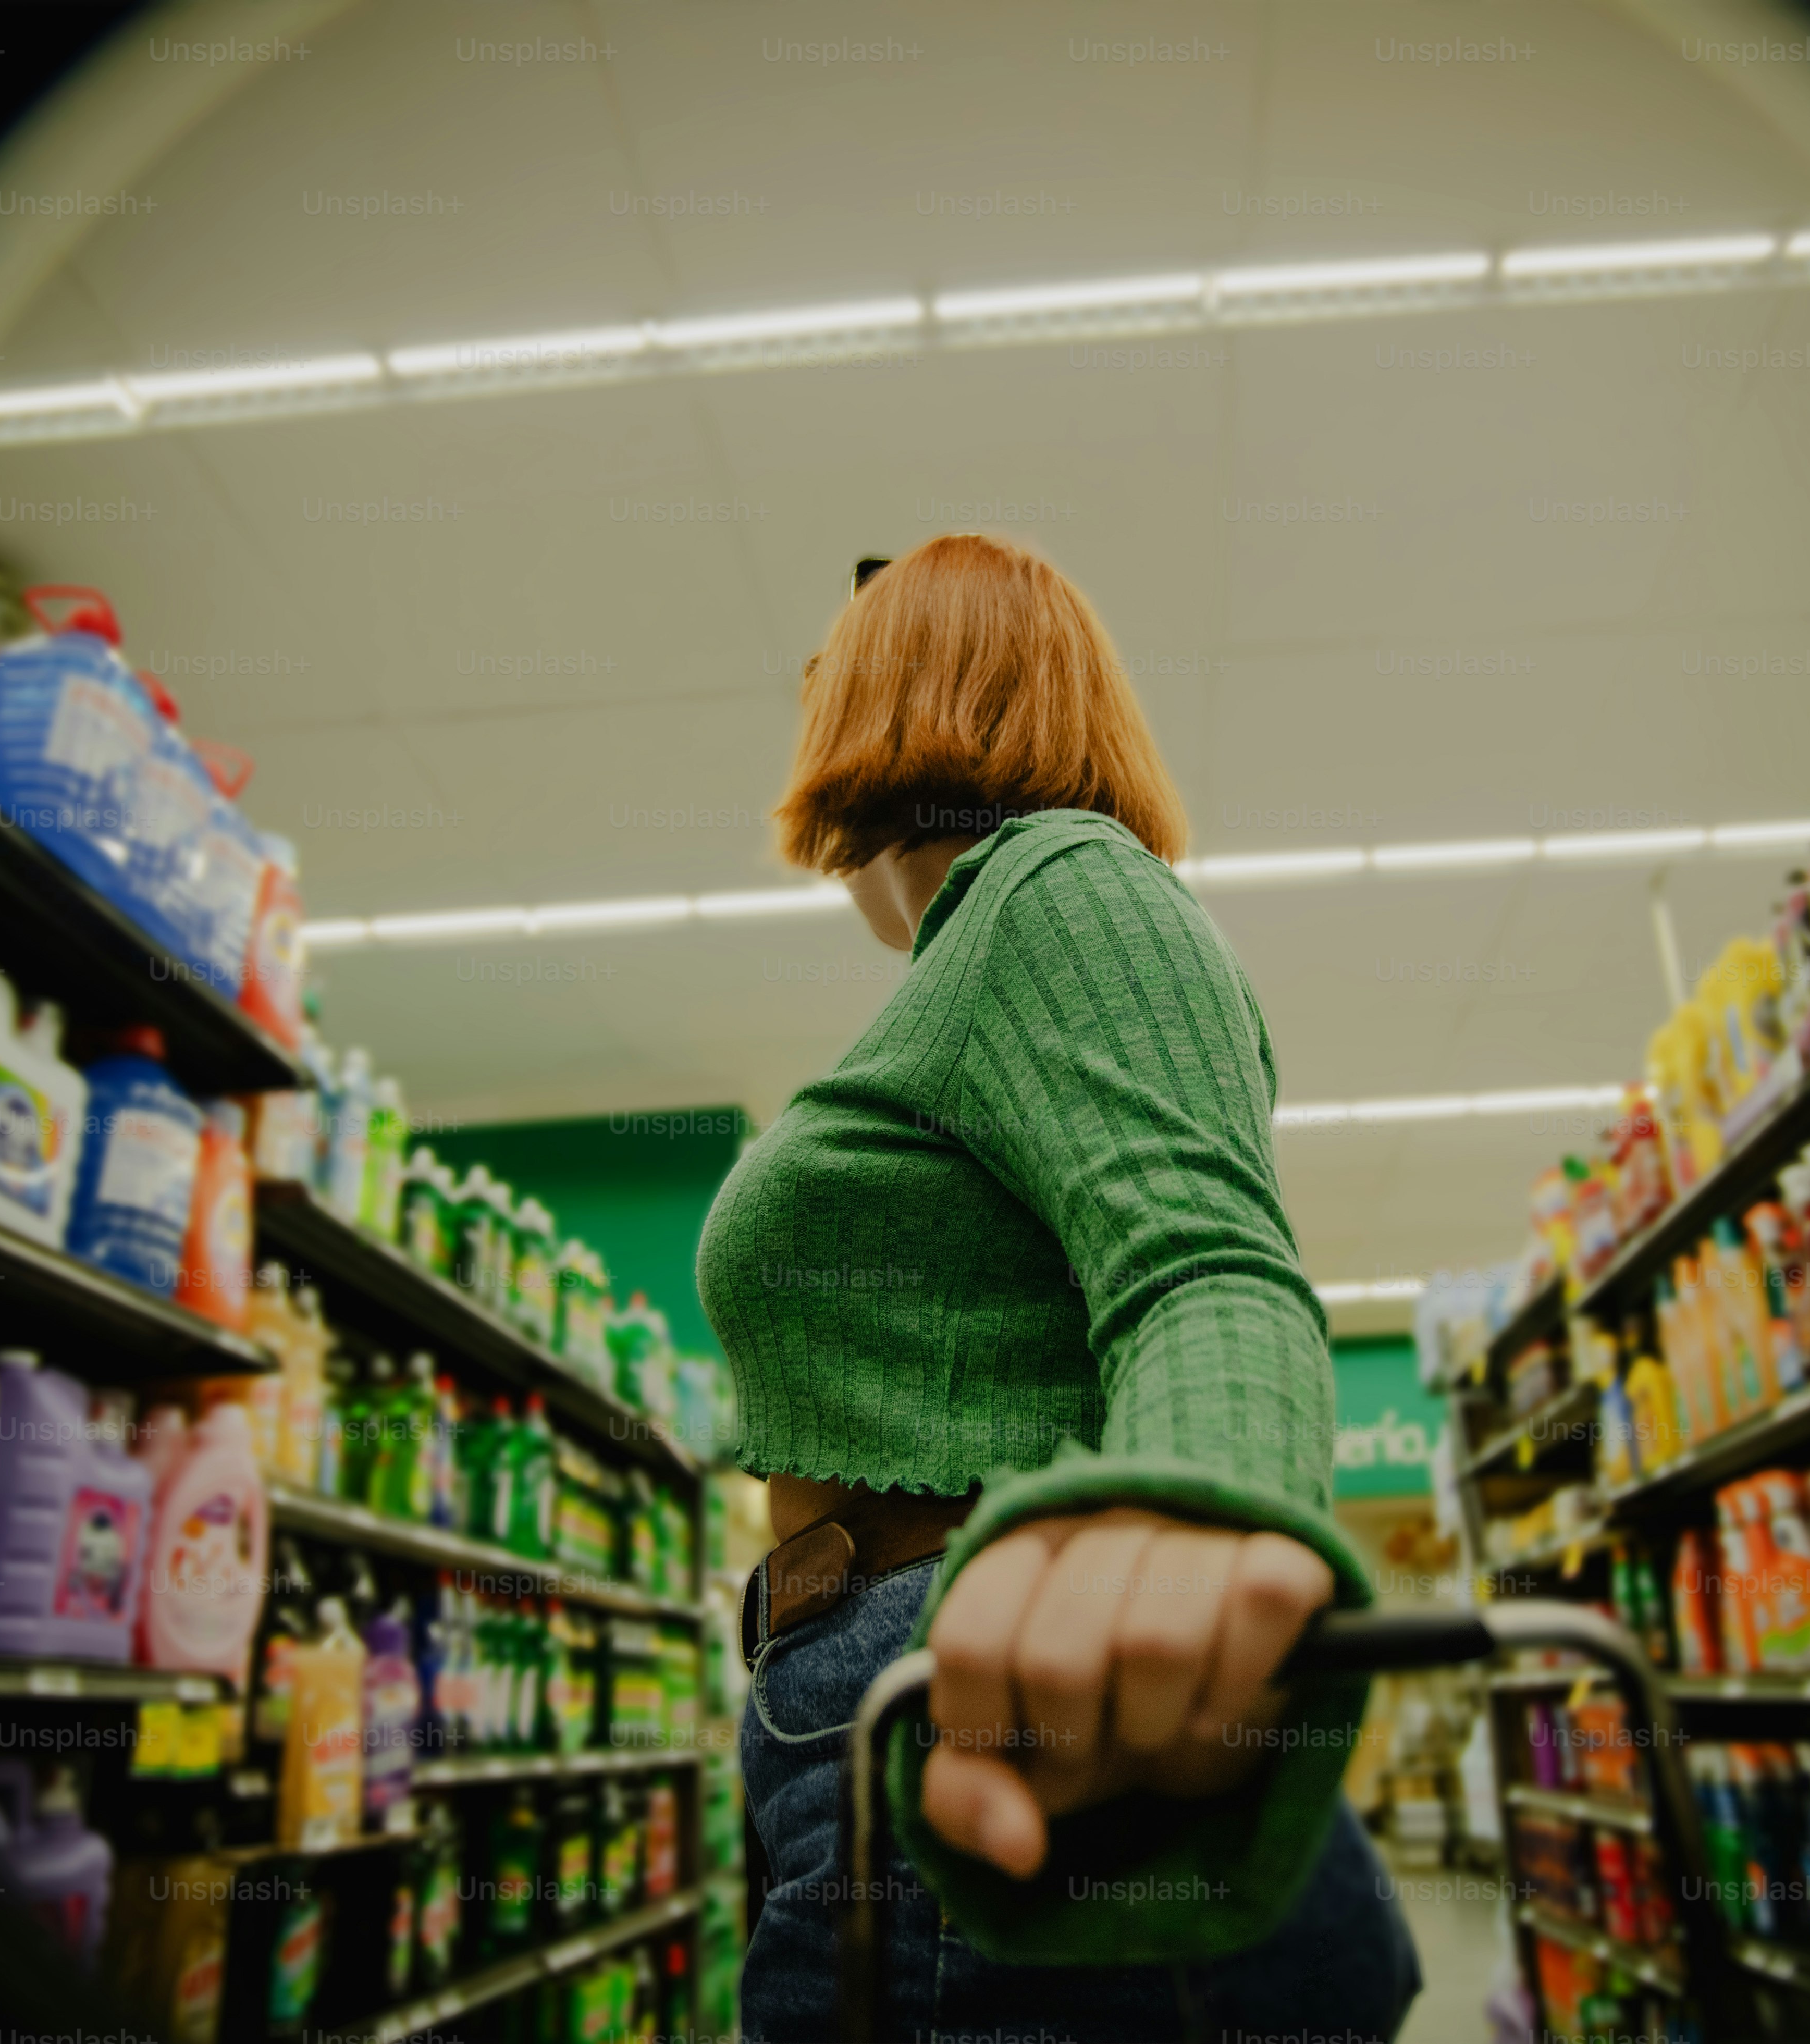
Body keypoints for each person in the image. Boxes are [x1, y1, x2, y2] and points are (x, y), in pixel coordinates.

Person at [696, 533, 1421, 2041]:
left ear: (906, 682)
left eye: (831, 680)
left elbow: (1205, 1268)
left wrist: (1195, 1528)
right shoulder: (968, 965)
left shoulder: (1060, 881)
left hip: (1002, 1727)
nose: (813, 713)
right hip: (868, 1717)